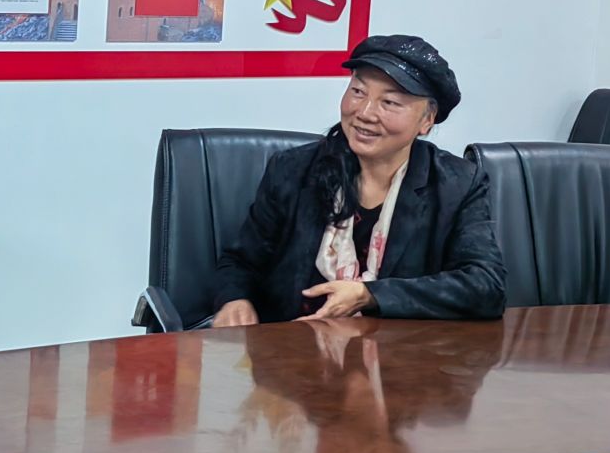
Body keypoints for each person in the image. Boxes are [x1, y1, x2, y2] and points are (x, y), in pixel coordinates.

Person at [206, 34, 504, 327]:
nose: (365, 113)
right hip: (292, 347)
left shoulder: (457, 185)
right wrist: (235, 300)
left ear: (427, 120)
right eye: (358, 91)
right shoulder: (293, 170)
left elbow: (486, 286)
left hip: (400, 354)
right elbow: (240, 262)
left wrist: (370, 295)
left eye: (390, 102)